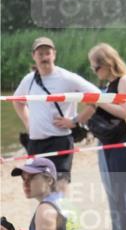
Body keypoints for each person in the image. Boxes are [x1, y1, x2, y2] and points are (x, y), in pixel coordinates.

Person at [12, 37, 100, 181]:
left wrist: (75, 120)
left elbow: (97, 96)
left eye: (48, 53)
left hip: (60, 141)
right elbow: (17, 101)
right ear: (33, 56)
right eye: (40, 54)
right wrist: (27, 122)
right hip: (35, 142)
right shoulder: (28, 80)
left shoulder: (67, 77)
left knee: (59, 185)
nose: (44, 57)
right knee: (38, 187)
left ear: (54, 54)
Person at [86, 44, 126, 230]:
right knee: (114, 197)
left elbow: (125, 112)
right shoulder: (110, 85)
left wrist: (99, 99)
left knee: (122, 196)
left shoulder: (125, 81)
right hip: (108, 144)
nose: (95, 72)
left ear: (108, 63)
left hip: (121, 144)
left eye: (96, 67)